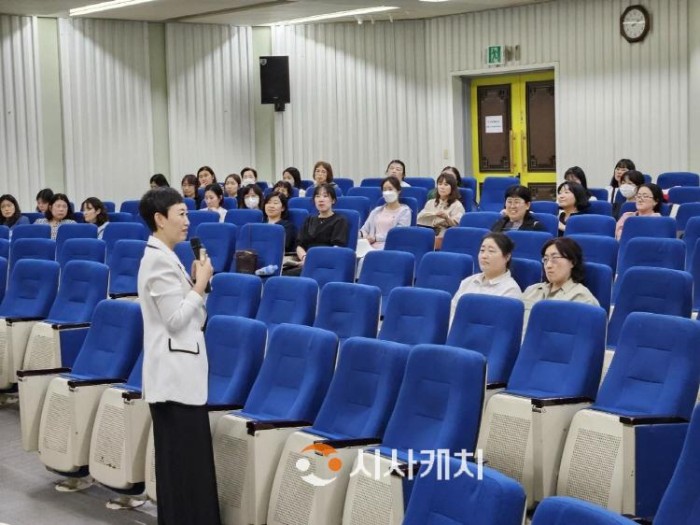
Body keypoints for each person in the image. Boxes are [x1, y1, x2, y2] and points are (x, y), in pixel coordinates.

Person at [137, 188, 219, 525]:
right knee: (182, 471)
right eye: (180, 214)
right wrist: (199, 285)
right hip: (174, 380)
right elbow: (175, 320)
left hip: (182, 377)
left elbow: (192, 316)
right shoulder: (157, 259)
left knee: (188, 469)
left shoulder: (167, 257)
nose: (187, 221)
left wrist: (198, 286)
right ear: (159, 219)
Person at [521, 237, 599, 331]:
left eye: (555, 258)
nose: (548, 265)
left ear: (572, 262)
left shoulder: (583, 299)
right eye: (545, 259)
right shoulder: (532, 290)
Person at [450, 232, 521, 320]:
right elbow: (452, 314)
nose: (484, 256)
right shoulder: (468, 282)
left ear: (507, 257)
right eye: (482, 250)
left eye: (491, 251)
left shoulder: (510, 290)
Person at [285, 183, 348, 276]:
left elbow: (337, 247)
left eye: (325, 196)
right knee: (282, 275)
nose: (321, 200)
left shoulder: (339, 220)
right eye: (317, 196)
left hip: (326, 263)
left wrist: (314, 260)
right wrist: (305, 258)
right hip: (306, 261)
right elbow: (299, 245)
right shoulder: (309, 219)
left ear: (333, 200)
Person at [358, 176, 411, 249]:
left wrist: (376, 238)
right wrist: (363, 236)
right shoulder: (377, 210)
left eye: (390, 189)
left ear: (398, 191)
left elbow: (398, 234)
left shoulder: (405, 211)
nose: (387, 192)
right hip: (369, 246)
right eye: (384, 190)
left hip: (390, 247)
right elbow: (364, 229)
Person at [417, 171, 465, 242]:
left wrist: (447, 218)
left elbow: (458, 226)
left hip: (446, 236)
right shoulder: (430, 202)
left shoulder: (457, 205)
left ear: (452, 188)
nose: (442, 187)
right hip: (428, 233)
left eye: (446, 185)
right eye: (440, 184)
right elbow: (419, 219)